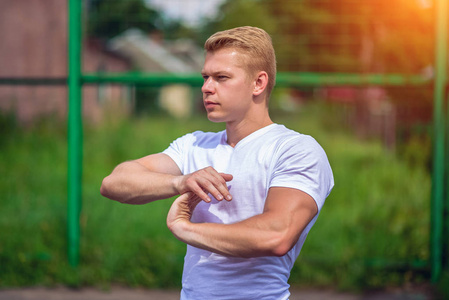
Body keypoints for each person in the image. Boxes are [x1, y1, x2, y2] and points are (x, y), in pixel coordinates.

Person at [100, 26, 334, 300]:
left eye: (221, 77)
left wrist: (185, 228)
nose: (206, 87)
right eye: (205, 77)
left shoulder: (295, 149)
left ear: (258, 83)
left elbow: (277, 235)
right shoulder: (194, 144)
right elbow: (113, 182)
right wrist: (180, 181)